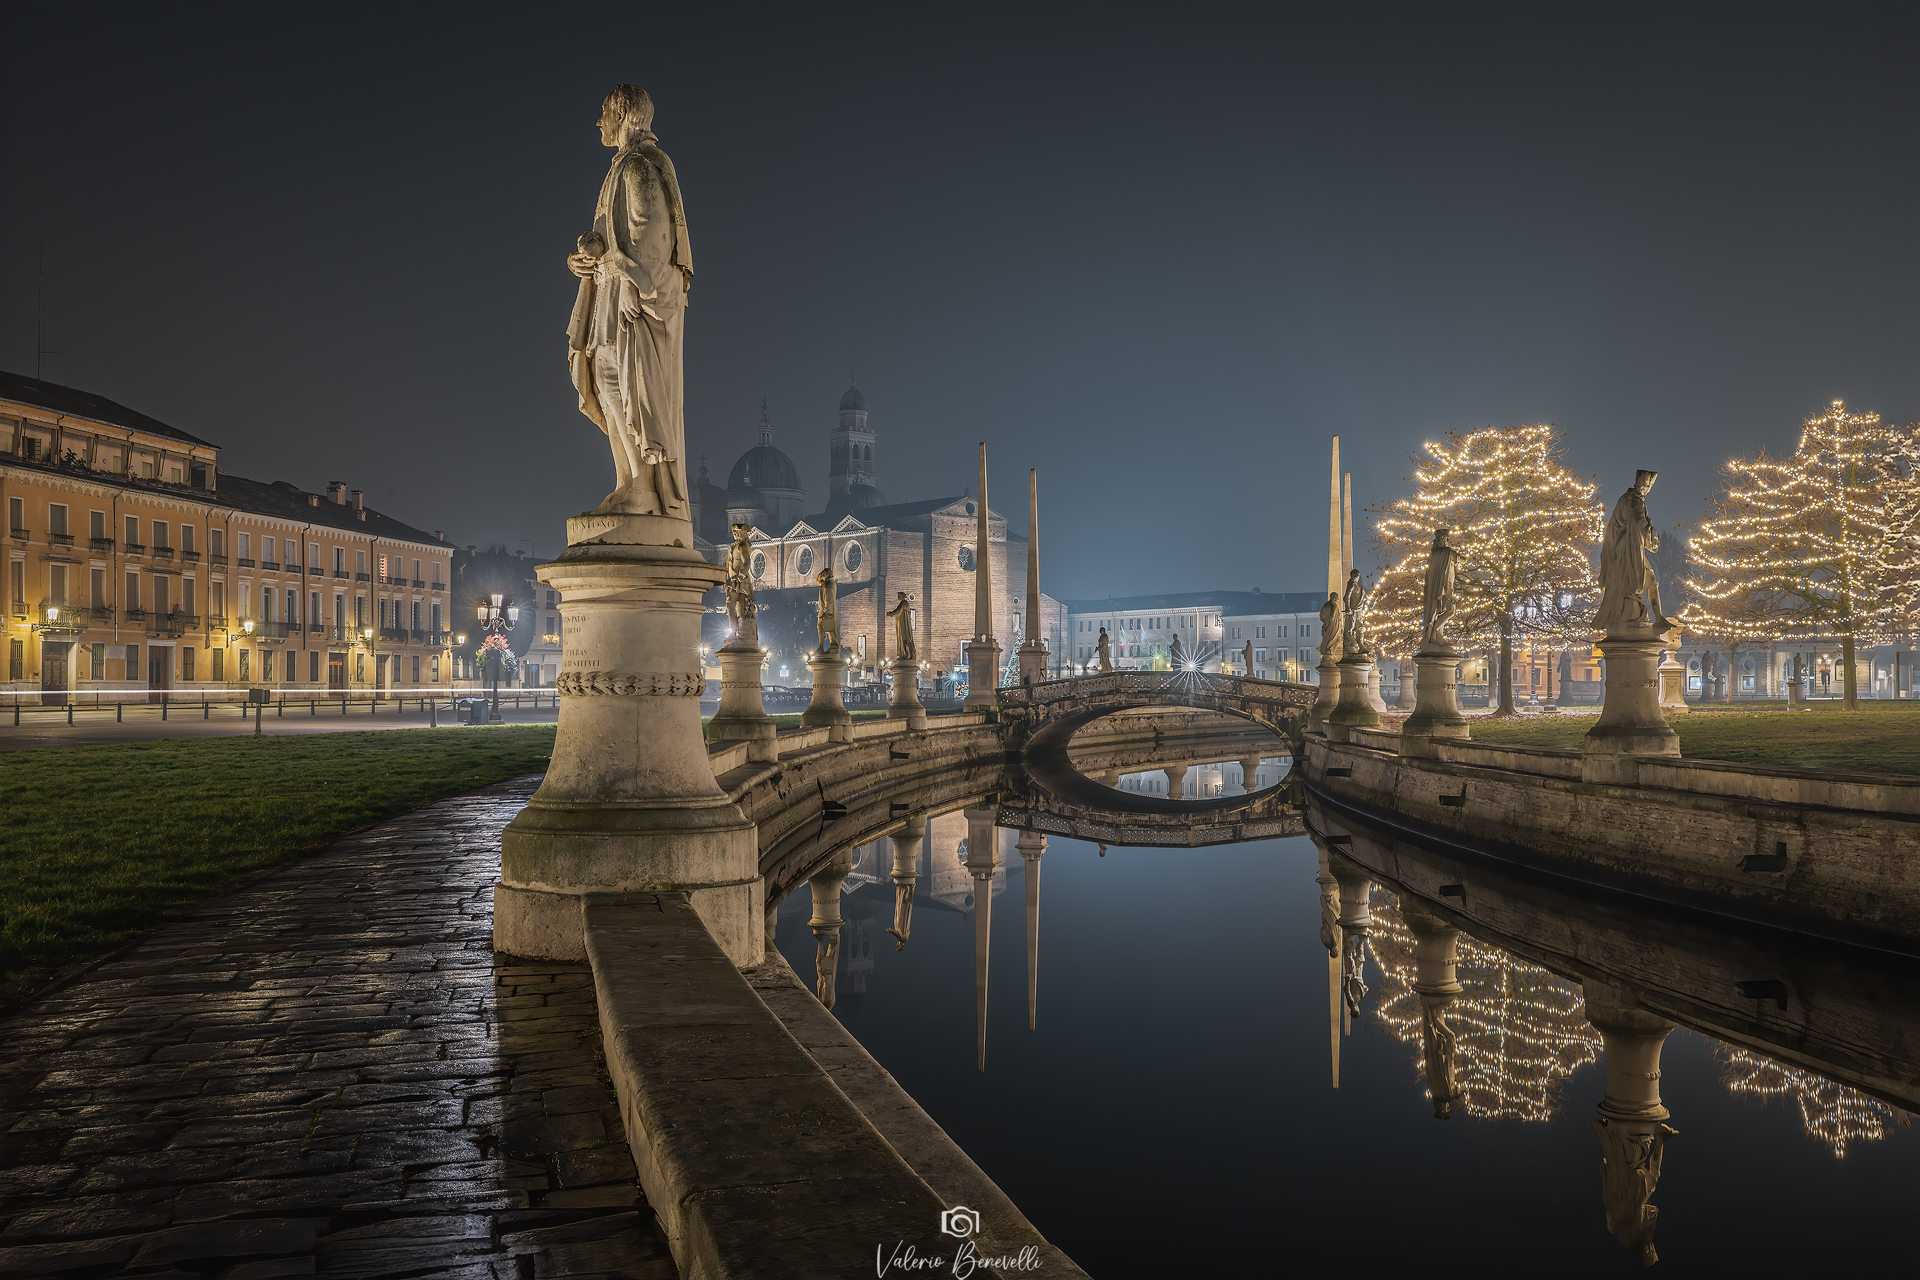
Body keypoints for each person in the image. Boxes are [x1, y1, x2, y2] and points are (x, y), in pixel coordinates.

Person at [566, 85, 694, 518]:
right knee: (606, 387)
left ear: (622, 114)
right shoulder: (619, 168)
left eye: (604, 111)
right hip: (609, 298)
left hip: (631, 304)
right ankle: (627, 480)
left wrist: (615, 262)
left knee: (628, 389)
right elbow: (609, 237)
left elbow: (652, 239)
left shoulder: (640, 167)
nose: (598, 121)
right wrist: (582, 260)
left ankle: (641, 485)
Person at [1594, 470, 1671, 635]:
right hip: (1628, 551)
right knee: (1647, 581)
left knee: (1641, 582)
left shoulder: (1624, 499)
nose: (1649, 490)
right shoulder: (1635, 501)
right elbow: (1640, 522)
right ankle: (1655, 618)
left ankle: (1657, 618)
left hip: (1620, 551)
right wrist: (1653, 536)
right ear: (1644, 486)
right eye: (1649, 487)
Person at [724, 523, 757, 647]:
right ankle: (733, 630)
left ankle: (742, 633)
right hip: (732, 581)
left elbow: (747, 561)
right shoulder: (732, 547)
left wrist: (741, 575)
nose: (735, 534)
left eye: (738, 532)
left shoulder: (743, 545)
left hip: (741, 581)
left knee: (741, 609)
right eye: (734, 532)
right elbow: (729, 565)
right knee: (729, 605)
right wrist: (728, 578)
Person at [888, 591, 916, 660]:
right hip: (903, 624)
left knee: (904, 639)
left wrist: (890, 613)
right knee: (905, 639)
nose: (898, 597)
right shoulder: (905, 603)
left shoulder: (903, 603)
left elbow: (898, 611)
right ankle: (906, 655)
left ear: (903, 596)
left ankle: (905, 655)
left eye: (899, 596)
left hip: (903, 625)